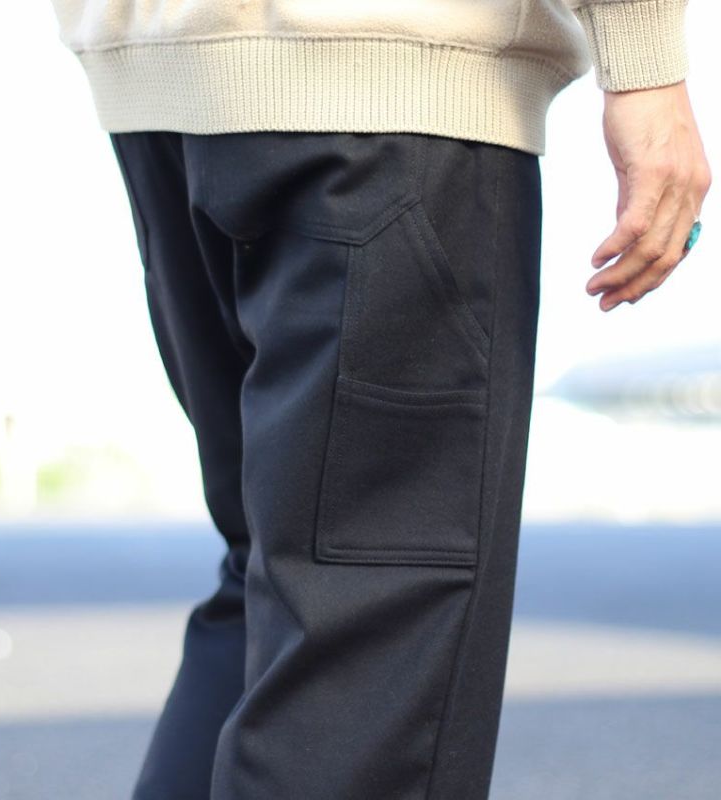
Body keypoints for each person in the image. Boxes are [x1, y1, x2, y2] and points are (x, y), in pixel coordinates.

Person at [49, 2, 711, 798]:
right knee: (368, 618)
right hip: (386, 97)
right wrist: (644, 60)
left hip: (164, 88)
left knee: (276, 584)